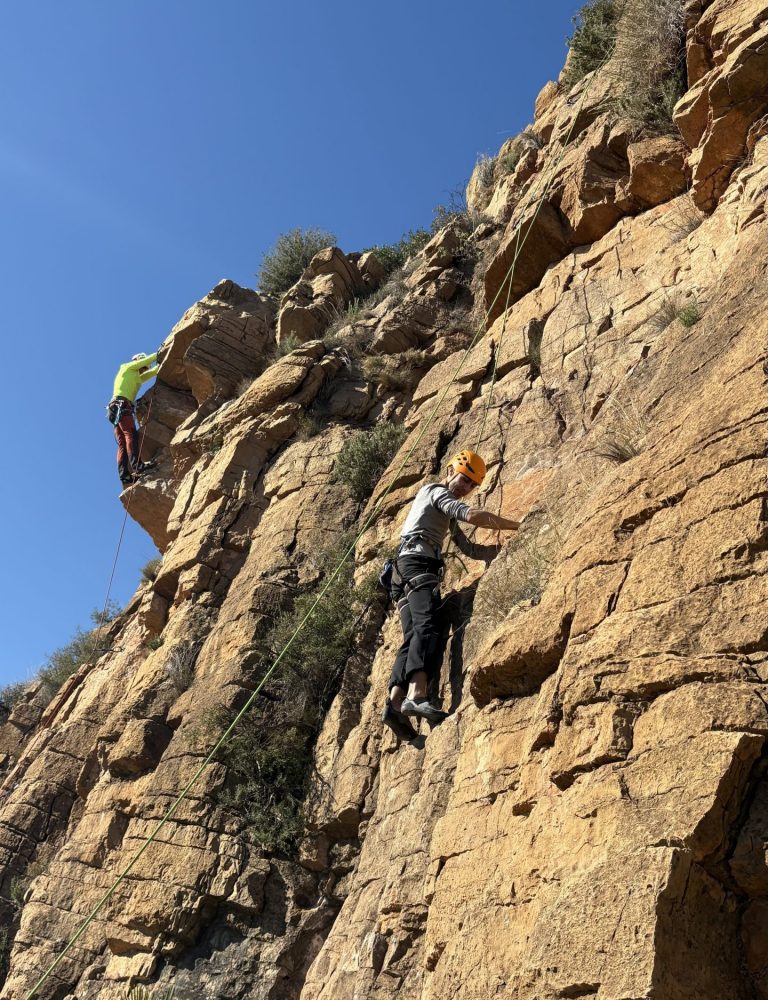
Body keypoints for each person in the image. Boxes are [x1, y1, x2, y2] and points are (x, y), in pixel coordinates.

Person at [382, 450, 521, 742]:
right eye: (463, 478)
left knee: (412, 636)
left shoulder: (439, 506)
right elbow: (470, 515)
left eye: (471, 484)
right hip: (417, 564)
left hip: (401, 570)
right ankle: (417, 695)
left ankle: (395, 704)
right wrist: (518, 526)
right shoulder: (436, 492)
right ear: (450, 471)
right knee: (427, 625)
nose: (465, 487)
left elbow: (468, 548)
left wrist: (496, 553)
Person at [107, 352, 160, 488]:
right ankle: (138, 466)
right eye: (143, 367)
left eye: (145, 369)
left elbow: (154, 371)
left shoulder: (136, 377)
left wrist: (159, 365)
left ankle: (124, 475)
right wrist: (160, 352)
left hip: (116, 408)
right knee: (130, 434)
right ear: (138, 361)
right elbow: (148, 360)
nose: (143, 370)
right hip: (122, 405)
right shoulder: (127, 367)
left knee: (122, 443)